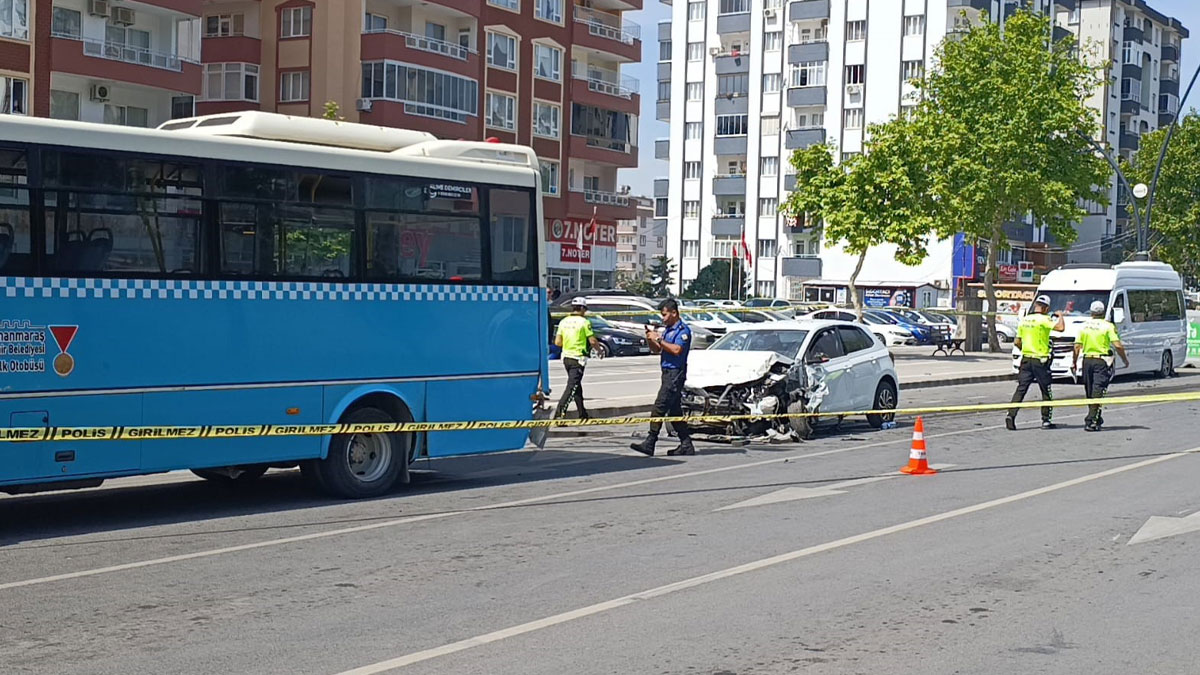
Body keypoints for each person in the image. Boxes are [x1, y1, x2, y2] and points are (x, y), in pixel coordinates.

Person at [631, 298, 696, 457]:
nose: (663, 318)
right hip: (666, 372)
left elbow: (676, 350)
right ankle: (686, 444)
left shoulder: (683, 330)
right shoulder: (668, 329)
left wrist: (659, 338)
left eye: (665, 315)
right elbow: (657, 350)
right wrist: (650, 339)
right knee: (674, 412)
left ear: (674, 313)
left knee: (659, 407)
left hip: (675, 373)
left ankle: (650, 442)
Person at [1007, 294, 1065, 431]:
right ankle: (1046, 420)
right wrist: (1060, 316)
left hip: (1026, 359)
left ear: (1036, 306)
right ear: (1046, 308)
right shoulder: (1045, 320)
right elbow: (1061, 328)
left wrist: (1026, 349)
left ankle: (1011, 415)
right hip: (1041, 360)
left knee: (1021, 389)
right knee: (1046, 390)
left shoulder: (1025, 320)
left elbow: (1017, 342)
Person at [1071, 300, 1129, 432]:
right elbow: (1118, 345)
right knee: (1098, 390)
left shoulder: (1084, 326)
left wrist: (1074, 362)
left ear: (1091, 312)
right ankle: (1091, 420)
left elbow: (1077, 346)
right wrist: (1124, 359)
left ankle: (1096, 418)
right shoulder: (1108, 326)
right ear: (1103, 312)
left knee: (1090, 391)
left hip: (1087, 361)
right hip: (1101, 361)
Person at [553, 297, 600, 420]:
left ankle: (582, 414)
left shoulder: (564, 321)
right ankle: (559, 414)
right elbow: (592, 340)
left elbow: (558, 342)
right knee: (571, 387)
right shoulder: (584, 322)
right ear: (583, 309)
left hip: (566, 357)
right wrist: (599, 350)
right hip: (578, 358)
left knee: (576, 386)